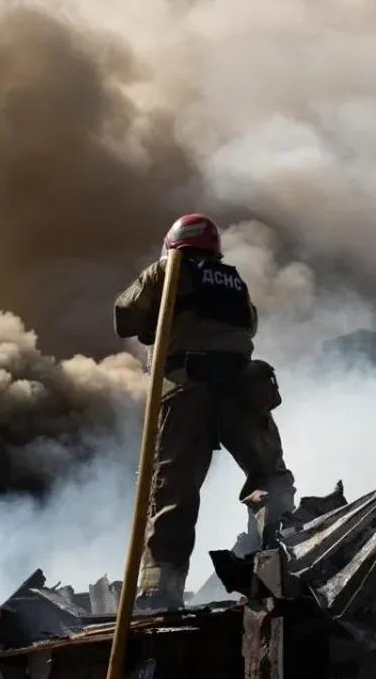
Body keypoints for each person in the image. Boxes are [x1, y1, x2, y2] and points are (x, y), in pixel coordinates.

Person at [114, 213, 297, 611]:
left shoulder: (166, 271)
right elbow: (248, 326)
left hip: (187, 389)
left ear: (173, 244)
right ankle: (280, 557)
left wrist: (158, 318)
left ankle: (160, 590)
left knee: (173, 491)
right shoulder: (233, 281)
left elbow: (124, 317)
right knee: (268, 474)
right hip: (241, 386)